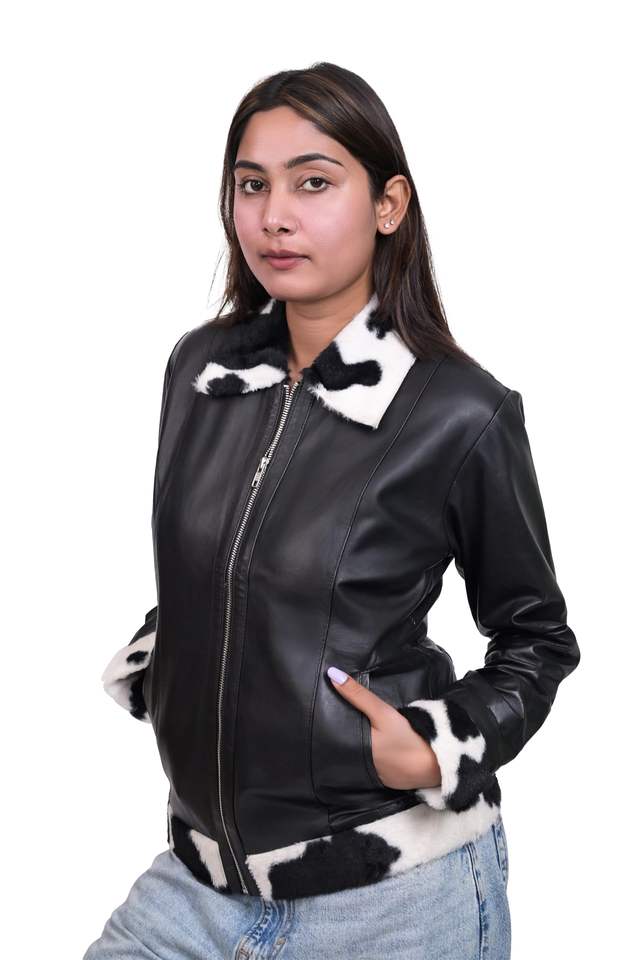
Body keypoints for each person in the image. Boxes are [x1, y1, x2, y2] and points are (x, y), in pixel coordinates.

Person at [84, 61, 580, 960]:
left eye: (313, 183)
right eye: (251, 185)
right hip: (199, 881)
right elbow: (227, 564)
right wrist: (172, 660)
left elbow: (536, 638)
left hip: (392, 896)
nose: (274, 216)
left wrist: (439, 745)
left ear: (388, 204)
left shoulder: (458, 412)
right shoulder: (202, 372)